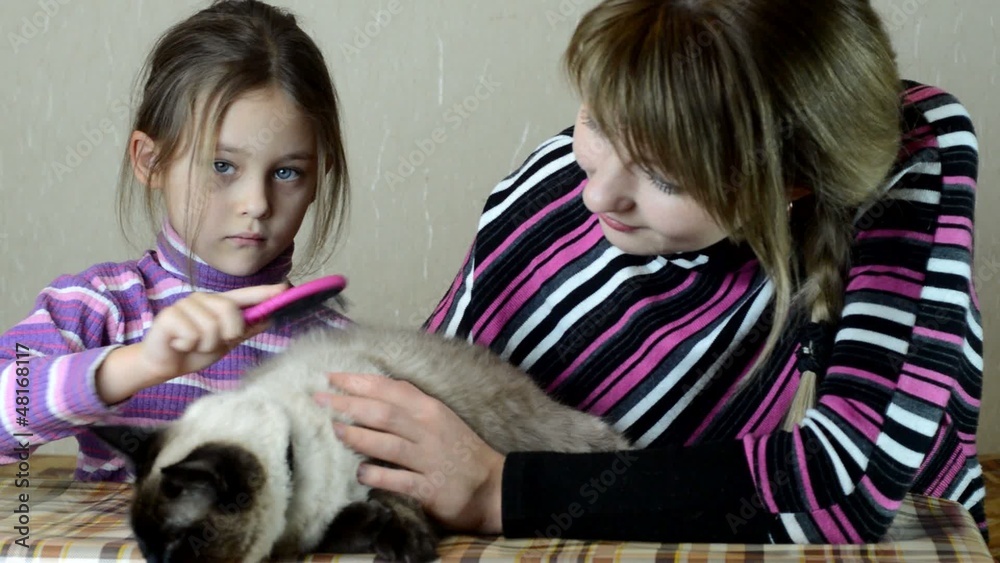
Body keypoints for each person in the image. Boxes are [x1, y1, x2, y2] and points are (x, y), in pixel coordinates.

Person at [317, 0, 986, 545]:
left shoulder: (912, 146)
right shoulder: (560, 187)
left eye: (665, 173)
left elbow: (849, 483)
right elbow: (420, 406)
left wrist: (499, 489)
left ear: (794, 182)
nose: (596, 195)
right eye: (597, 121)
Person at [0, 0, 350, 481]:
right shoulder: (99, 307)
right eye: (222, 166)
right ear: (151, 162)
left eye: (287, 172)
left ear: (319, 177)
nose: (257, 203)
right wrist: (142, 364)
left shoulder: (331, 344)